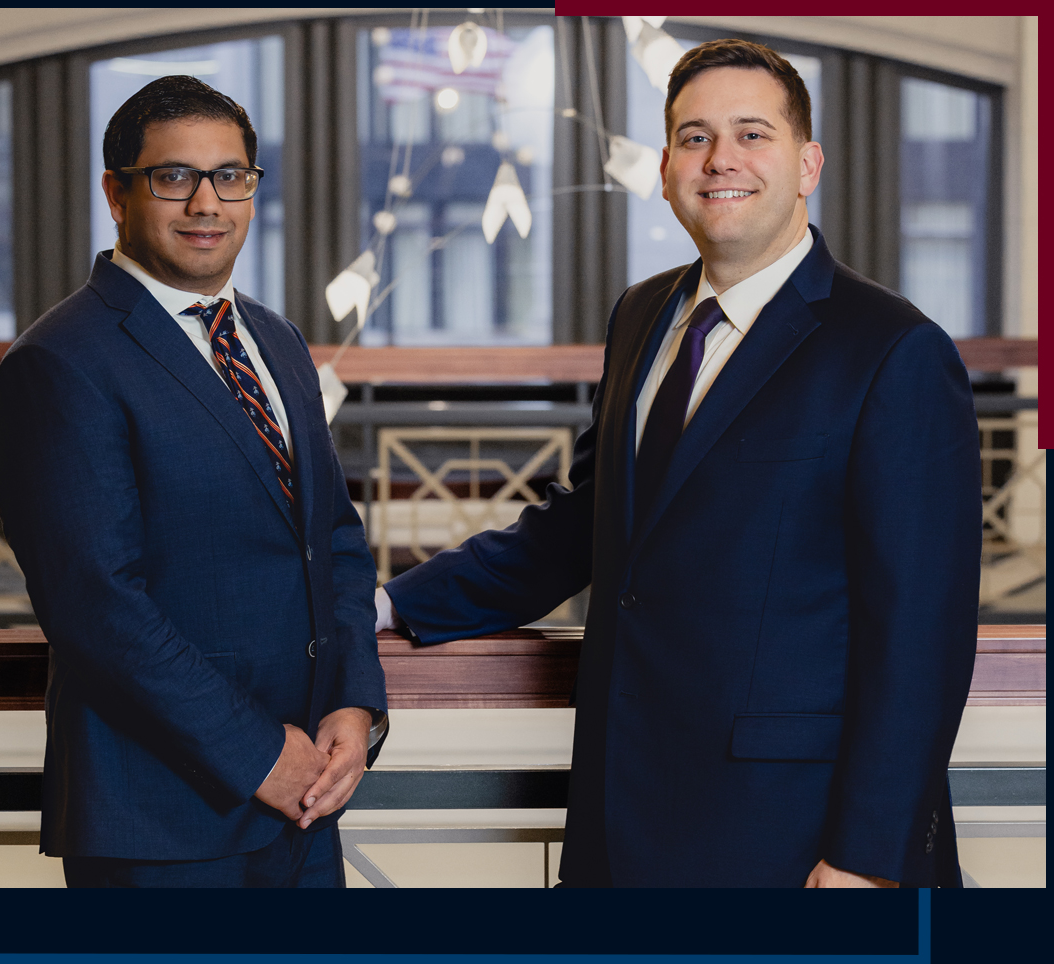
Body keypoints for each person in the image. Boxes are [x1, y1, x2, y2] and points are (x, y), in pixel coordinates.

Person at [376, 39, 981, 887]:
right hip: (619, 818)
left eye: (751, 134)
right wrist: (389, 603)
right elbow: (588, 524)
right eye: (695, 138)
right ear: (664, 170)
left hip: (795, 843)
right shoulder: (640, 315)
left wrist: (867, 860)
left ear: (808, 164)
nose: (720, 158)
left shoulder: (894, 350)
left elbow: (923, 635)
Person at [0, 75, 387, 888]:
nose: (207, 202)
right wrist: (257, 754)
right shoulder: (60, 361)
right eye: (175, 177)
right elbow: (96, 604)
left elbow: (334, 542)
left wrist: (353, 703)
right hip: (161, 821)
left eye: (230, 176)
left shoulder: (275, 341)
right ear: (116, 192)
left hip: (306, 801)